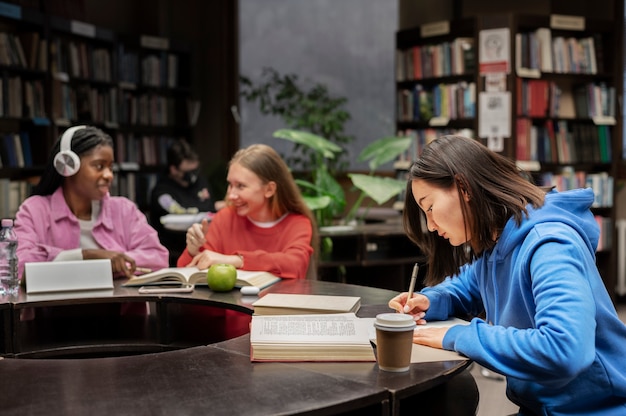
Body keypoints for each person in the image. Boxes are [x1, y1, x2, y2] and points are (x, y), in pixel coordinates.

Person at [388, 135, 626, 415]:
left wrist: (458, 335)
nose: (429, 225)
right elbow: (465, 287)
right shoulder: (496, 242)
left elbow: (565, 349)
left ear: (464, 187)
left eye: (429, 207)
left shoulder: (549, 245)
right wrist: (431, 300)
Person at [176, 143, 317, 339]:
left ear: (269, 189)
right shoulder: (225, 218)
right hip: (227, 337)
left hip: (284, 333)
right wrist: (192, 251)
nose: (231, 195)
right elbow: (187, 275)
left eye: (241, 186)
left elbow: (294, 263)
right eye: (230, 184)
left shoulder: (297, 223)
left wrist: (236, 260)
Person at [15, 125, 169, 281]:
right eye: (99, 166)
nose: (109, 175)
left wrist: (112, 264)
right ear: (68, 166)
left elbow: (158, 259)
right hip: (59, 306)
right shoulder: (35, 210)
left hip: (119, 305)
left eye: (110, 167)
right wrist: (86, 255)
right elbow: (18, 266)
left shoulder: (124, 210)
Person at [149, 139, 223, 265]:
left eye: (195, 169)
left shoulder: (200, 182)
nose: (193, 175)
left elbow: (209, 205)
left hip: (202, 244)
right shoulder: (162, 191)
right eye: (188, 172)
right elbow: (180, 211)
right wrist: (209, 207)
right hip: (174, 249)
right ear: (174, 170)